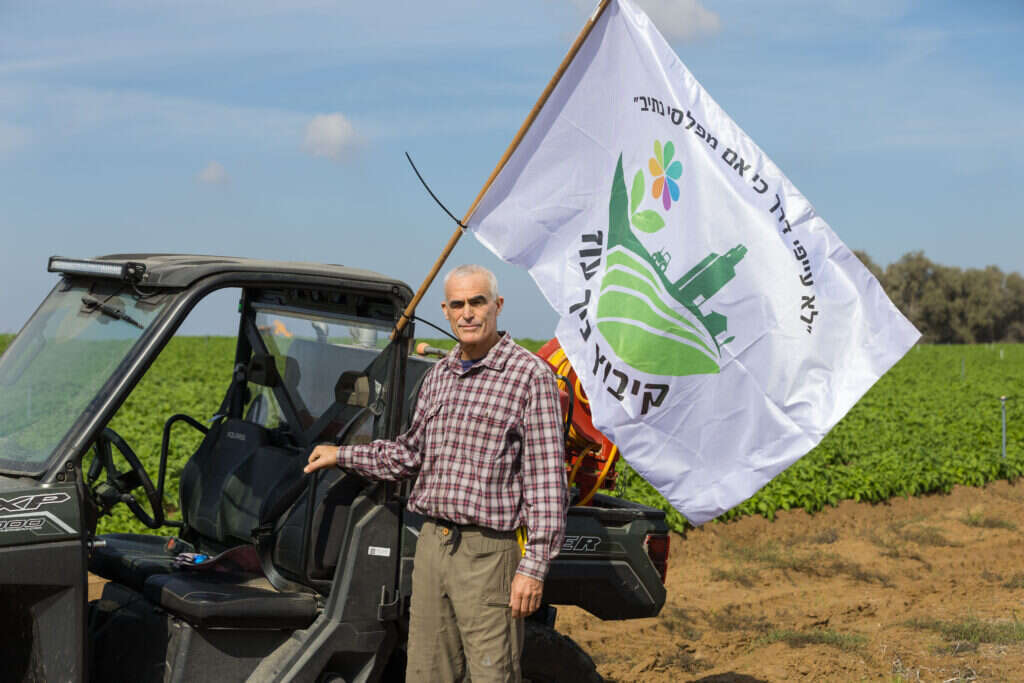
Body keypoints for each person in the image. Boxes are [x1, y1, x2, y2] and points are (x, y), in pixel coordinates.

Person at [305, 264, 568, 682]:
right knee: (427, 671)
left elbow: (547, 483)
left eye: (477, 302)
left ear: (497, 306)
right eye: (458, 304)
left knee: (492, 673)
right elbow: (410, 455)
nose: (468, 313)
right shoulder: (439, 377)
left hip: (489, 553)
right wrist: (342, 455)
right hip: (432, 546)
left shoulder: (529, 377)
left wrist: (533, 567)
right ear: (445, 311)